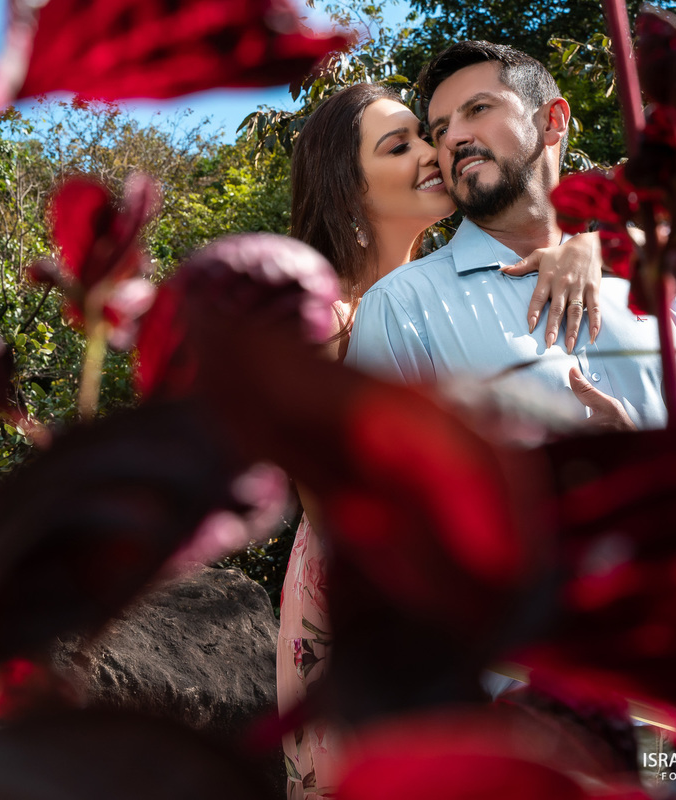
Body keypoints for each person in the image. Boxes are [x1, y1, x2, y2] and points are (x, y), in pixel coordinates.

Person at [275, 80, 615, 800]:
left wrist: (584, 246)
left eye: (425, 136)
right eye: (399, 146)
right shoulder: (319, 323)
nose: (434, 153)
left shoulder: (463, 286)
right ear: (349, 190)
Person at [345, 41, 676, 426]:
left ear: (552, 121)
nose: (452, 139)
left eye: (478, 109)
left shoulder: (647, 274)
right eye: (439, 130)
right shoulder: (401, 307)